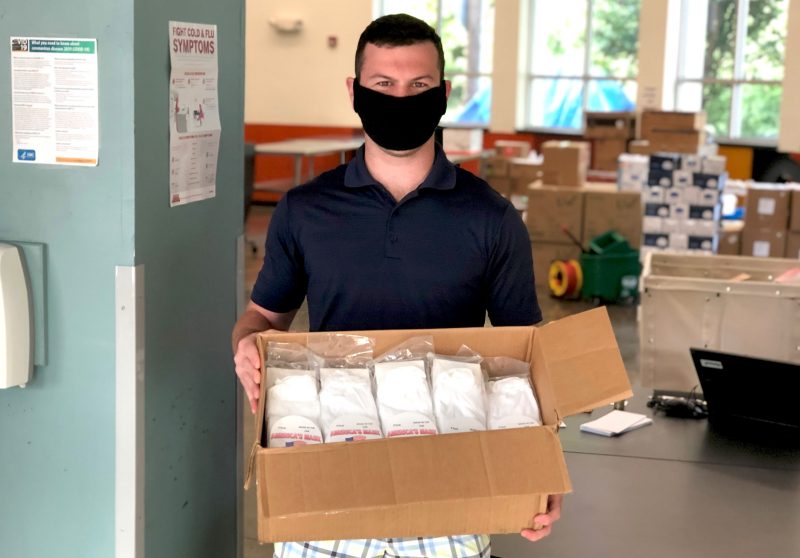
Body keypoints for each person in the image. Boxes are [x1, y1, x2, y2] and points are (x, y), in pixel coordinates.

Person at [232, 13, 562, 558]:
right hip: (327, 479)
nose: (400, 98)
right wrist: (245, 344)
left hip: (451, 487)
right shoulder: (306, 210)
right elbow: (263, 320)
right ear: (355, 92)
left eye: (419, 86)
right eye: (383, 84)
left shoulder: (491, 218)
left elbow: (526, 361)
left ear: (444, 95)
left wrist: (545, 471)